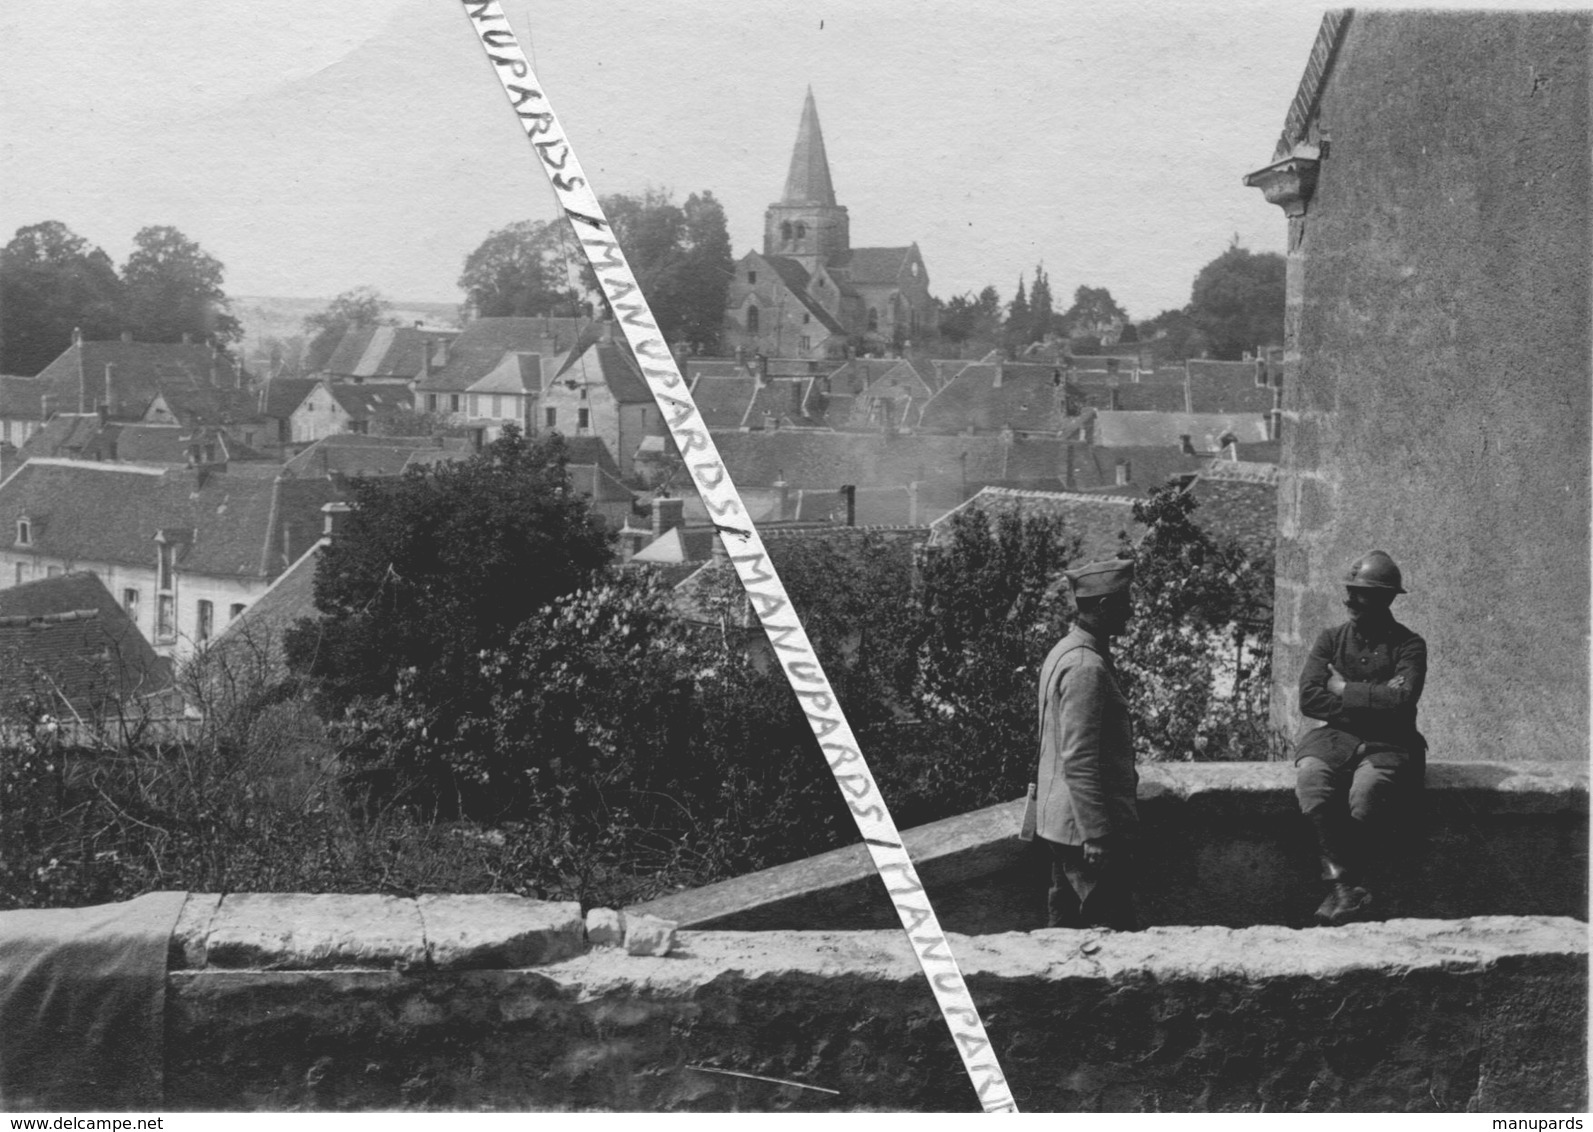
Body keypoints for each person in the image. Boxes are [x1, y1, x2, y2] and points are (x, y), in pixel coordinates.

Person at [1294, 549, 1427, 925]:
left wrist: (1342, 687)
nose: (1349, 599)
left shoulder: (1409, 645)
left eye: (1361, 592)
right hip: (1334, 740)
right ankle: (1343, 890)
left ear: (1385, 598)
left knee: (1368, 791)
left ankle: (1345, 889)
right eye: (1349, 591)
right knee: (1310, 779)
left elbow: (1402, 698)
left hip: (1390, 744)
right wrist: (1369, 701)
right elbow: (1309, 698)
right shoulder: (1330, 640)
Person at [1034, 557, 1139, 930]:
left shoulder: (1065, 650)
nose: (1130, 612)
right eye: (1124, 603)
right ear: (1106, 606)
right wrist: (1096, 834)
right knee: (1109, 929)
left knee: (1065, 924)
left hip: (1063, 823)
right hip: (1085, 831)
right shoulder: (1085, 667)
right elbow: (1078, 759)